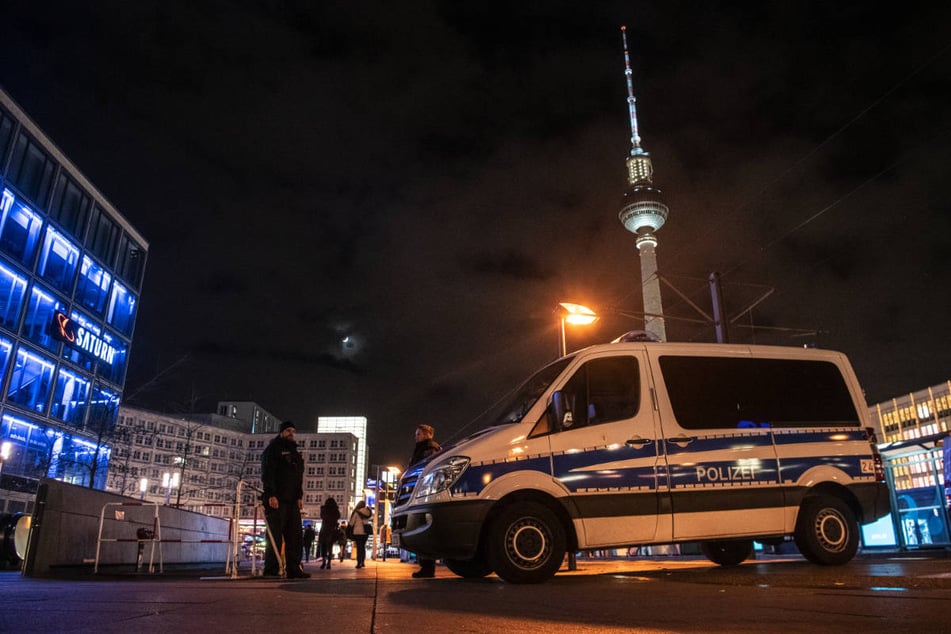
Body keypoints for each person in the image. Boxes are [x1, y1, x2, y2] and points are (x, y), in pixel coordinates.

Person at [260, 420, 309, 579]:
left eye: (293, 431)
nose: (291, 433)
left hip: (292, 500)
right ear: (281, 432)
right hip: (277, 499)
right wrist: (271, 494)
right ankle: (271, 569)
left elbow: (298, 477)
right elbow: (268, 473)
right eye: (288, 430)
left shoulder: (295, 453)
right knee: (274, 535)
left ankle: (294, 569)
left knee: (295, 536)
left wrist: (299, 496)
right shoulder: (273, 450)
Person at [408, 424, 441, 578]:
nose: (416, 437)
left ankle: (428, 567)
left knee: (423, 527)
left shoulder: (429, 448)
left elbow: (427, 467)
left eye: (418, 434)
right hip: (422, 491)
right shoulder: (424, 448)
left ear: (428, 434)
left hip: (423, 492)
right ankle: (426, 566)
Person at [318, 496, 341, 569]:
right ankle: (329, 563)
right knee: (330, 546)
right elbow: (338, 517)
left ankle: (323, 562)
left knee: (323, 546)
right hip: (332, 529)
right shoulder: (335, 510)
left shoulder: (324, 509)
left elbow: (322, 517)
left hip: (324, 529)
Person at [349, 500, 372, 568]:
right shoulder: (367, 512)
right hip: (365, 532)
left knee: (359, 547)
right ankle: (363, 562)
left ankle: (359, 563)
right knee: (363, 547)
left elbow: (352, 523)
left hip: (358, 532)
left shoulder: (357, 512)